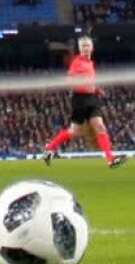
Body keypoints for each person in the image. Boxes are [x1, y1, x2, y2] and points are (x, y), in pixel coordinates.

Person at [42, 36, 127, 169]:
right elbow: (69, 81)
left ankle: (111, 159)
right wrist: (82, 85)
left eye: (88, 46)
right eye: (83, 46)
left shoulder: (90, 63)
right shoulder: (77, 62)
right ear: (80, 49)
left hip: (92, 98)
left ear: (92, 48)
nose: (86, 48)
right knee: (75, 131)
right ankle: (50, 147)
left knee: (99, 126)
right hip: (80, 99)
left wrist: (97, 89)